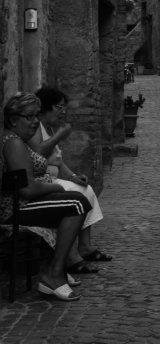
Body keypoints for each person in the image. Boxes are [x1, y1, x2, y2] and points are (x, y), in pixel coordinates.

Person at [0, 92, 92, 301]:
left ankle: (54, 268)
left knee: (76, 200)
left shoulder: (19, 140)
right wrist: (56, 188)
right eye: (29, 117)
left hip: (25, 203)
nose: (35, 122)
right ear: (13, 120)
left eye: (36, 116)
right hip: (16, 209)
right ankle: (54, 274)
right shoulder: (13, 143)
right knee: (77, 204)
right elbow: (27, 189)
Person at [28, 86, 112, 271]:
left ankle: (85, 246)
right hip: (43, 181)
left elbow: (58, 161)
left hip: (52, 178)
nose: (63, 112)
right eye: (59, 107)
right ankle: (71, 256)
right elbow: (38, 152)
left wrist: (73, 177)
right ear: (46, 107)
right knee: (77, 197)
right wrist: (60, 135)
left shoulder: (50, 128)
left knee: (86, 189)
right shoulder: (36, 128)